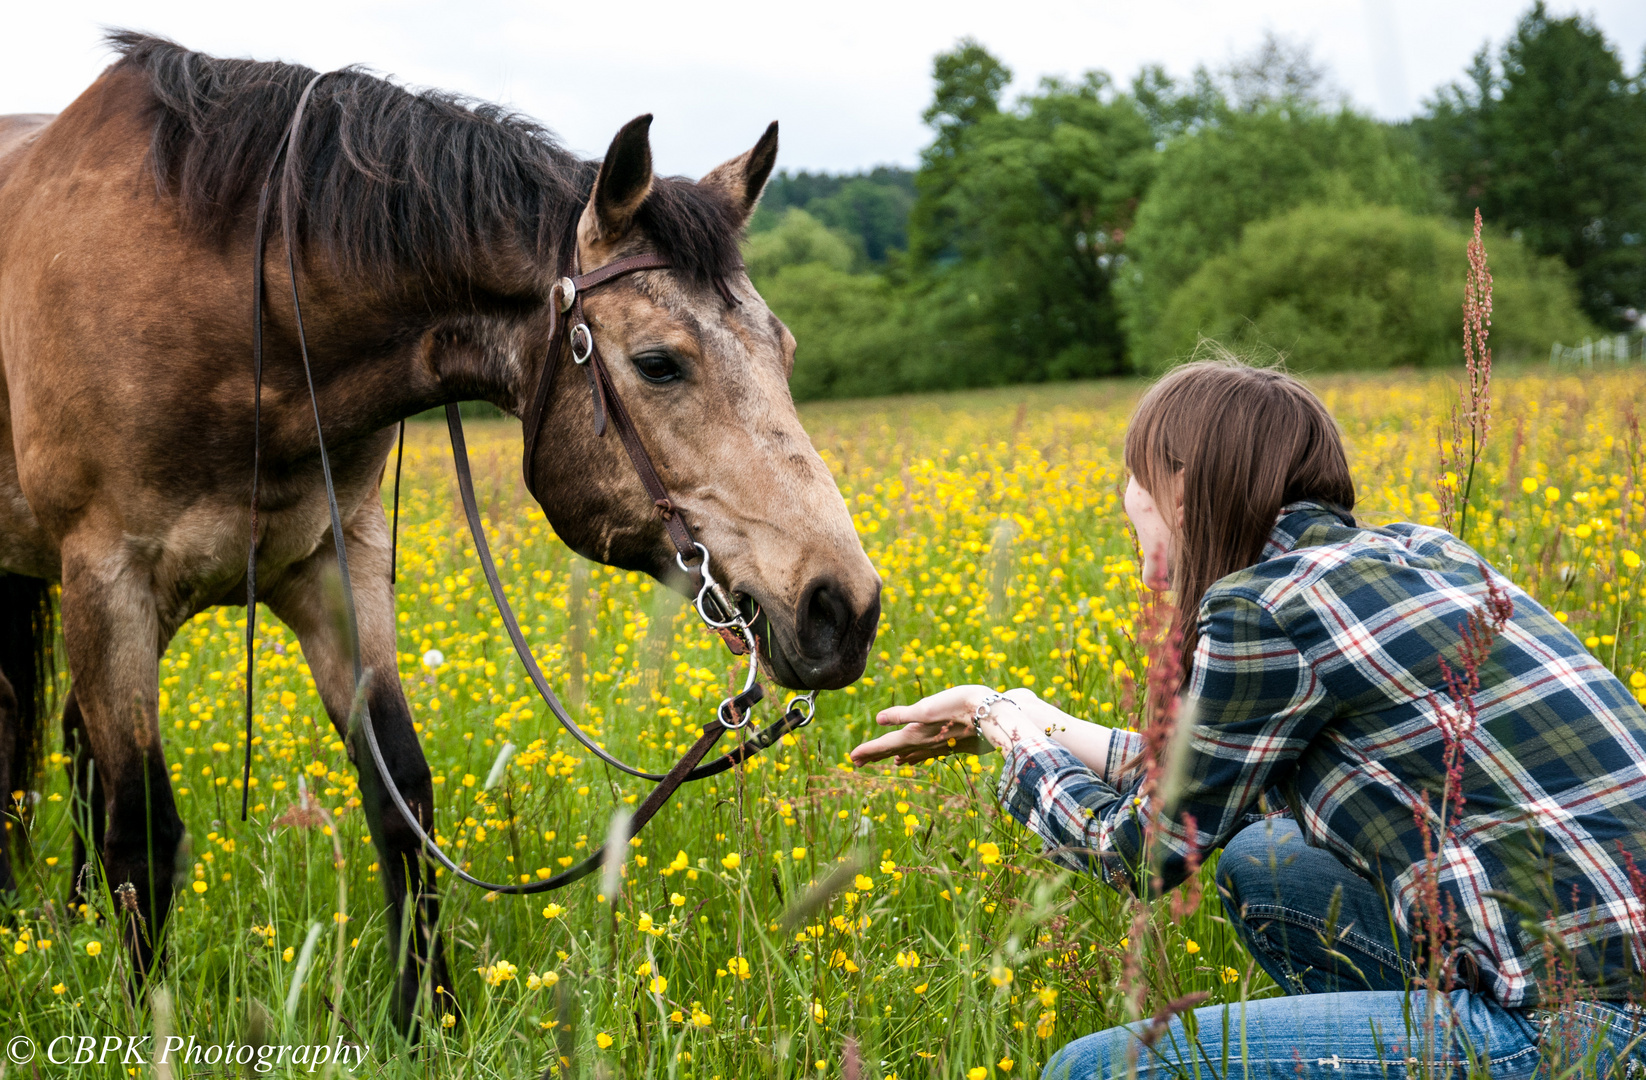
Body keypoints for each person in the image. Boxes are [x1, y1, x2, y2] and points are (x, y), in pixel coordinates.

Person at [850, 358, 1646, 1080]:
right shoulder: (1423, 552)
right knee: (1265, 861)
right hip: (1609, 985)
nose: (1126, 498)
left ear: (1184, 487)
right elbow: (1211, 773)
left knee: (1097, 1071)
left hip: (1580, 1027)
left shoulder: (1261, 607)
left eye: (1134, 474)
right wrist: (1018, 709)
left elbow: (1139, 851)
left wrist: (1010, 739)